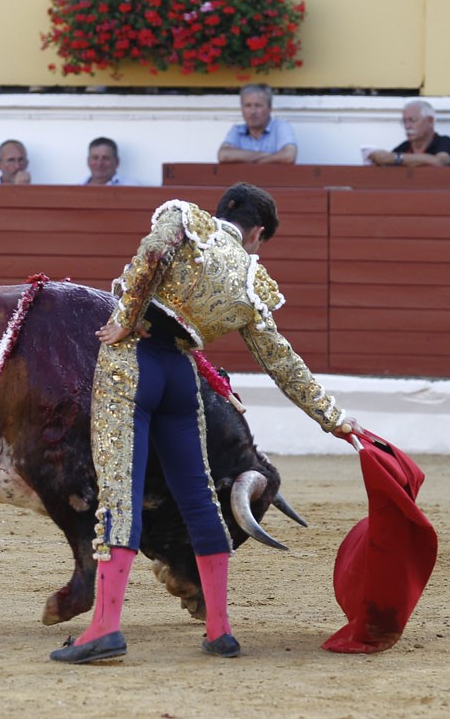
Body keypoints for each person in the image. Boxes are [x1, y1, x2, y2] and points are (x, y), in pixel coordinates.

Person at [50, 182, 361, 665]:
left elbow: (153, 251)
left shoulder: (185, 218)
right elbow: (282, 362)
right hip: (182, 376)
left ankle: (105, 628)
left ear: (225, 213)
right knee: (199, 498)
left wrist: (126, 317)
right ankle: (220, 629)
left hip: (133, 362)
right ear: (256, 233)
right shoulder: (252, 282)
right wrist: (334, 419)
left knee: (119, 494)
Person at [217, 84, 297, 164]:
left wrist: (255, 162)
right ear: (242, 109)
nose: (253, 112)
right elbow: (223, 155)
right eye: (248, 106)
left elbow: (289, 156)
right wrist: (265, 155)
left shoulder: (281, 127)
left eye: (258, 106)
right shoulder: (237, 130)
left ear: (270, 108)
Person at [366, 100, 450, 167]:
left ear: (430, 121)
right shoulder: (404, 147)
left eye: (412, 120)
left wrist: (396, 158)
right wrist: (380, 160)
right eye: (404, 121)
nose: (407, 126)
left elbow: (440, 161)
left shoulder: (444, 141)